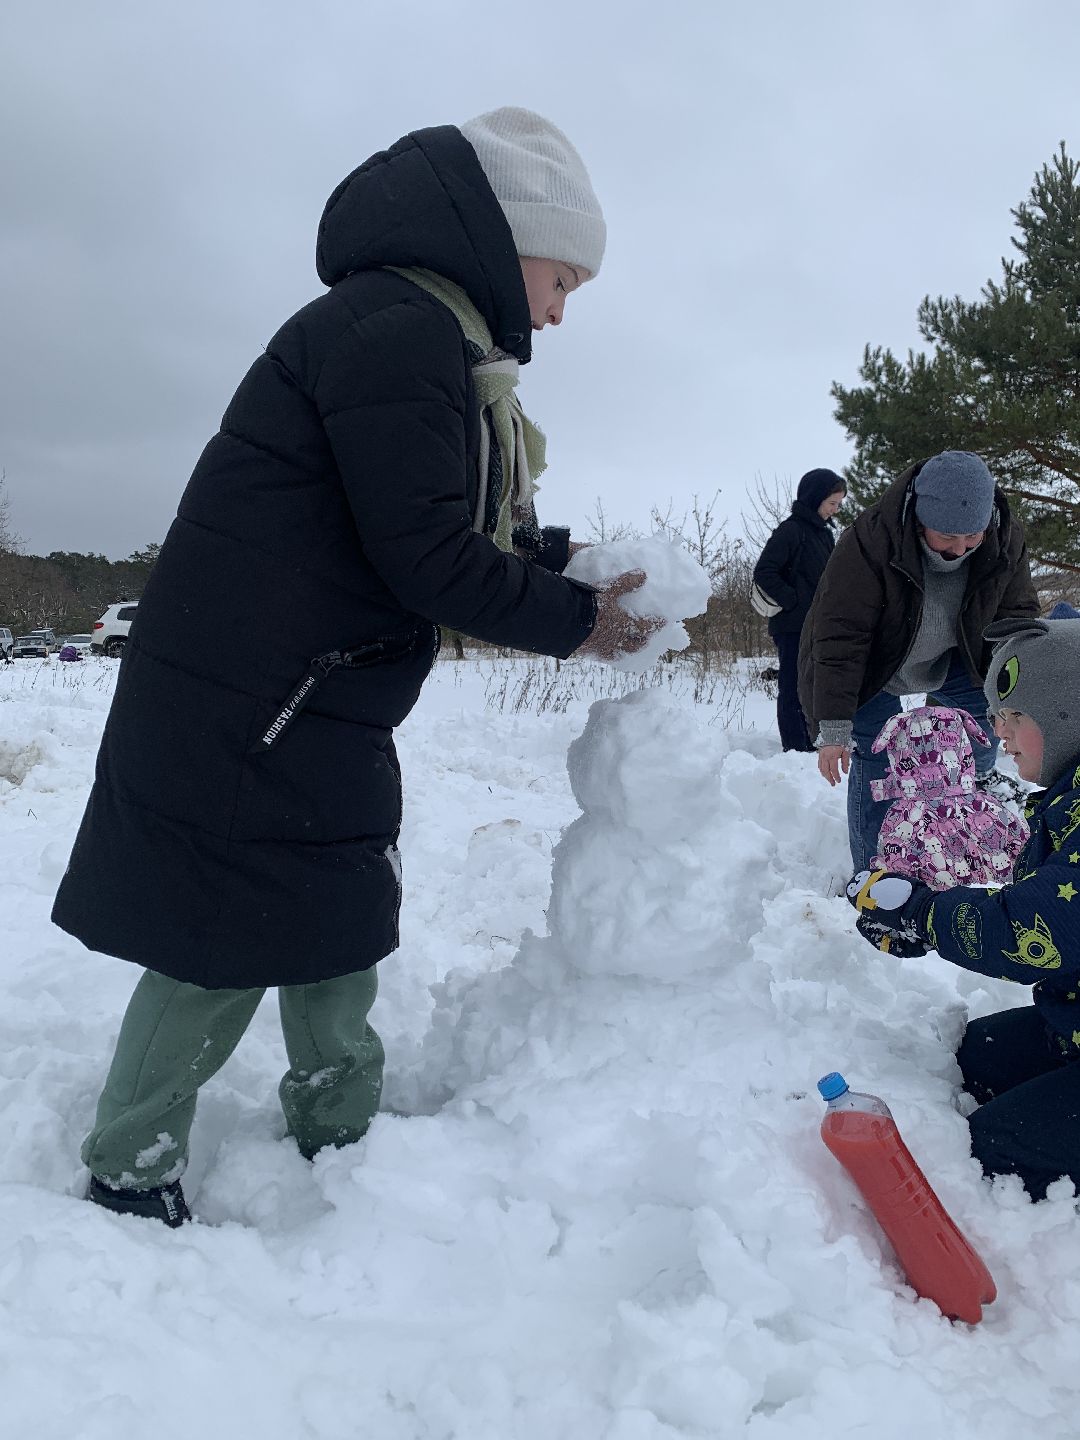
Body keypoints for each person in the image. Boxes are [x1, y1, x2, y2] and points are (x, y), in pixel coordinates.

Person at [52, 107, 653, 1226]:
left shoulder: (432, 345)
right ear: (505, 237)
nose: (560, 312)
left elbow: (458, 527)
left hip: (314, 700)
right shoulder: (392, 333)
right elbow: (428, 557)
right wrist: (578, 621)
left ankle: (342, 1143)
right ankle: (128, 1166)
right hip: (249, 706)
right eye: (562, 280)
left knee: (339, 922)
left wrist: (580, 562)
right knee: (214, 948)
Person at [847, 616, 1080, 1200]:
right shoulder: (1065, 798)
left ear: (1065, 715)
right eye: (995, 715)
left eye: (1013, 717)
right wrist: (925, 921)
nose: (998, 732)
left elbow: (1041, 925)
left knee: (994, 1147)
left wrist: (927, 915)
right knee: (977, 1057)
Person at [798, 450, 1039, 872]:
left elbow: (1015, 621)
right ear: (919, 517)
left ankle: (952, 842)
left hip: (957, 658)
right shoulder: (870, 540)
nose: (960, 549)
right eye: (946, 536)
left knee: (969, 752)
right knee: (879, 761)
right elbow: (841, 636)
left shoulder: (1004, 537)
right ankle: (875, 875)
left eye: (972, 536)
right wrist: (834, 726)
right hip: (875, 666)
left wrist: (1012, 702)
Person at [752, 468, 846, 752]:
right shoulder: (791, 530)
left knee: (814, 687)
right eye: (832, 503)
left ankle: (811, 740)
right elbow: (764, 572)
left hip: (818, 625)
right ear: (815, 498)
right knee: (793, 686)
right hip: (792, 626)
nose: (835, 510)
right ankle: (795, 747)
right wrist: (795, 601)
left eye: (839, 504)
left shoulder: (824, 535)